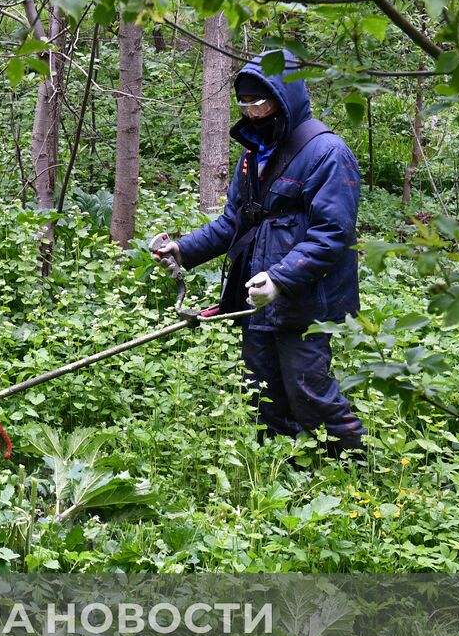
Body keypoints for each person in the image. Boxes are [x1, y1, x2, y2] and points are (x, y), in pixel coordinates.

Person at [152, 49, 367, 458]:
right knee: (262, 388)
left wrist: (282, 279)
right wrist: (184, 249)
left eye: (262, 101)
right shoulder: (254, 152)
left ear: (285, 97)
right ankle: (281, 468)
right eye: (245, 103)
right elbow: (236, 219)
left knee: (310, 391)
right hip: (256, 296)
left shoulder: (327, 153)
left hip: (305, 298)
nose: (252, 112)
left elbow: (332, 233)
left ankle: (355, 471)